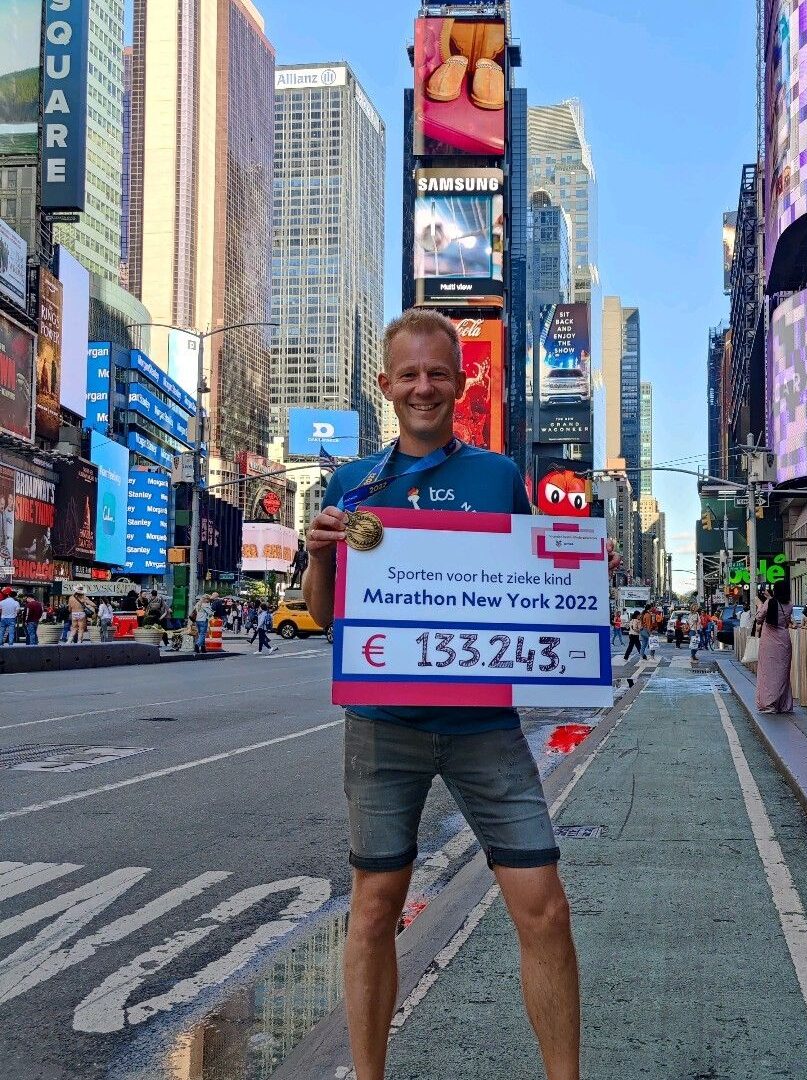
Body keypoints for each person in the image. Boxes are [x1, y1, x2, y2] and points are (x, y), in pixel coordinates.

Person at [303, 308, 580, 1080]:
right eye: (410, 374)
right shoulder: (353, 482)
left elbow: (533, 586)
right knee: (375, 909)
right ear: (386, 385)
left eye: (439, 373)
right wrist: (317, 551)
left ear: (461, 383)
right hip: (381, 723)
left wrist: (582, 569)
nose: (424, 387)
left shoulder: (498, 477)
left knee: (545, 907)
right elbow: (325, 613)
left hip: (483, 725)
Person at [754, 580, 794, 714]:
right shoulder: (789, 605)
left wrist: (760, 604)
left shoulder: (769, 603)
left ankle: (769, 704)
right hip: (784, 640)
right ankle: (784, 705)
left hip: (769, 641)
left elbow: (759, 618)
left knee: (767, 673)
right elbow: (788, 622)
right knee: (783, 673)